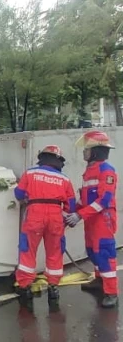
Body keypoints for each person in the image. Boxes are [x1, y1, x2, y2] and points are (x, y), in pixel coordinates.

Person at [14, 145, 76, 308]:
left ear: (42, 158)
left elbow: (19, 194)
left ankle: (25, 288)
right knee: (55, 252)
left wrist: (30, 196)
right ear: (59, 161)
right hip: (55, 215)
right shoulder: (65, 179)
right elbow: (71, 205)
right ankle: (53, 288)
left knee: (28, 251)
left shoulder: (30, 173)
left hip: (35, 213)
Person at [64, 130, 118, 308]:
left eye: (87, 149)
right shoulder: (89, 171)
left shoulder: (106, 170)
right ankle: (99, 280)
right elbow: (84, 198)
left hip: (103, 218)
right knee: (92, 251)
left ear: (96, 151)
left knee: (103, 253)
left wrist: (79, 215)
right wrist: (71, 212)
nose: (83, 152)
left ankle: (111, 292)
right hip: (91, 218)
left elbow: (104, 200)